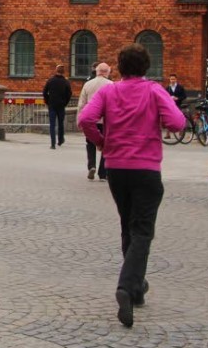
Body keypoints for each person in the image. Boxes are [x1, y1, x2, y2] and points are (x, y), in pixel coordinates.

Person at [78, 44, 185, 328]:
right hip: (146, 168)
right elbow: (177, 122)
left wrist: (102, 142)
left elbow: (85, 119)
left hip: (116, 168)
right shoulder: (153, 91)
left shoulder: (108, 91)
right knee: (142, 231)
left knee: (128, 224)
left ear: (120, 67)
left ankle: (136, 288)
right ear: (146, 67)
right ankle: (126, 287)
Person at [77, 62, 113, 180]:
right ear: (107, 72)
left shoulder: (88, 84)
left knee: (90, 143)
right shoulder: (111, 85)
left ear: (97, 72)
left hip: (90, 120)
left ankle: (91, 165)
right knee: (106, 144)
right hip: (105, 120)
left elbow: (81, 103)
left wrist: (79, 119)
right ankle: (103, 172)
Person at [42, 64, 72, 150]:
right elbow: (69, 94)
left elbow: (44, 92)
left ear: (56, 70)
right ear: (63, 72)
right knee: (60, 123)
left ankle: (52, 143)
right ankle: (60, 139)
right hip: (61, 105)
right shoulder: (66, 82)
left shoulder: (50, 81)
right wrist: (65, 102)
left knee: (52, 124)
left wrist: (48, 101)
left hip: (52, 105)